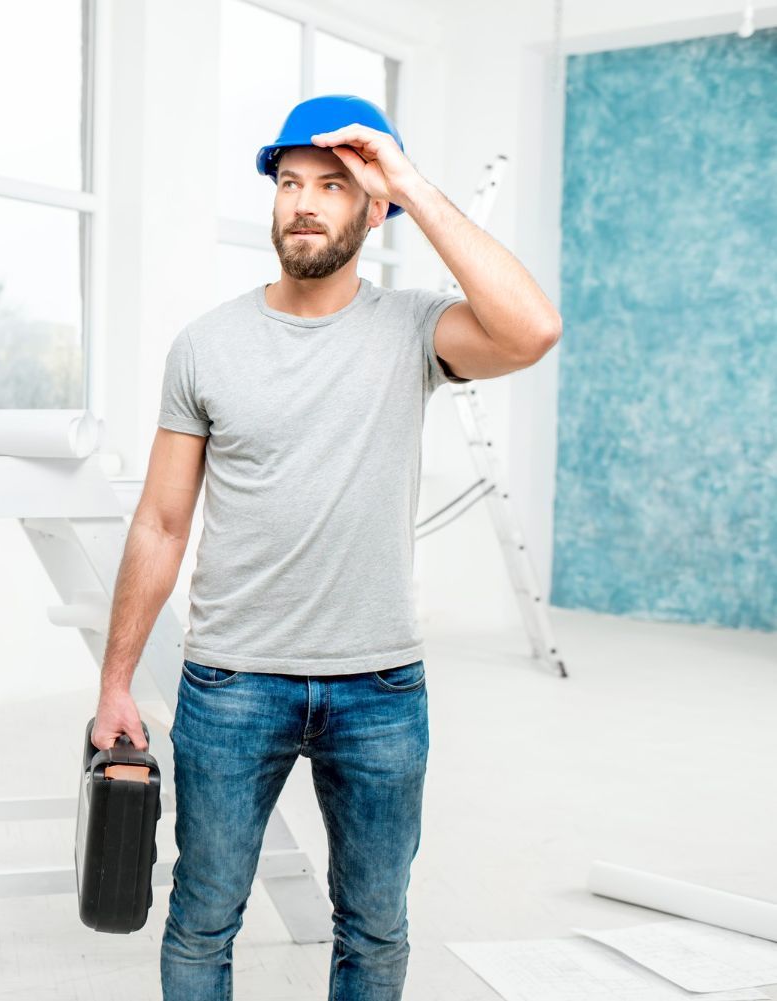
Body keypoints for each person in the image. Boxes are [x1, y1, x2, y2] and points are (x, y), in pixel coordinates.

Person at [89, 95, 562, 1001]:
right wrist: (115, 682)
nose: (303, 203)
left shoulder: (415, 331)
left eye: (334, 187)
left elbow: (532, 329)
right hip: (232, 683)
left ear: (371, 206)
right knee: (203, 919)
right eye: (291, 183)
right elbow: (159, 522)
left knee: (376, 931)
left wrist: (414, 186)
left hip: (380, 686)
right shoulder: (207, 345)